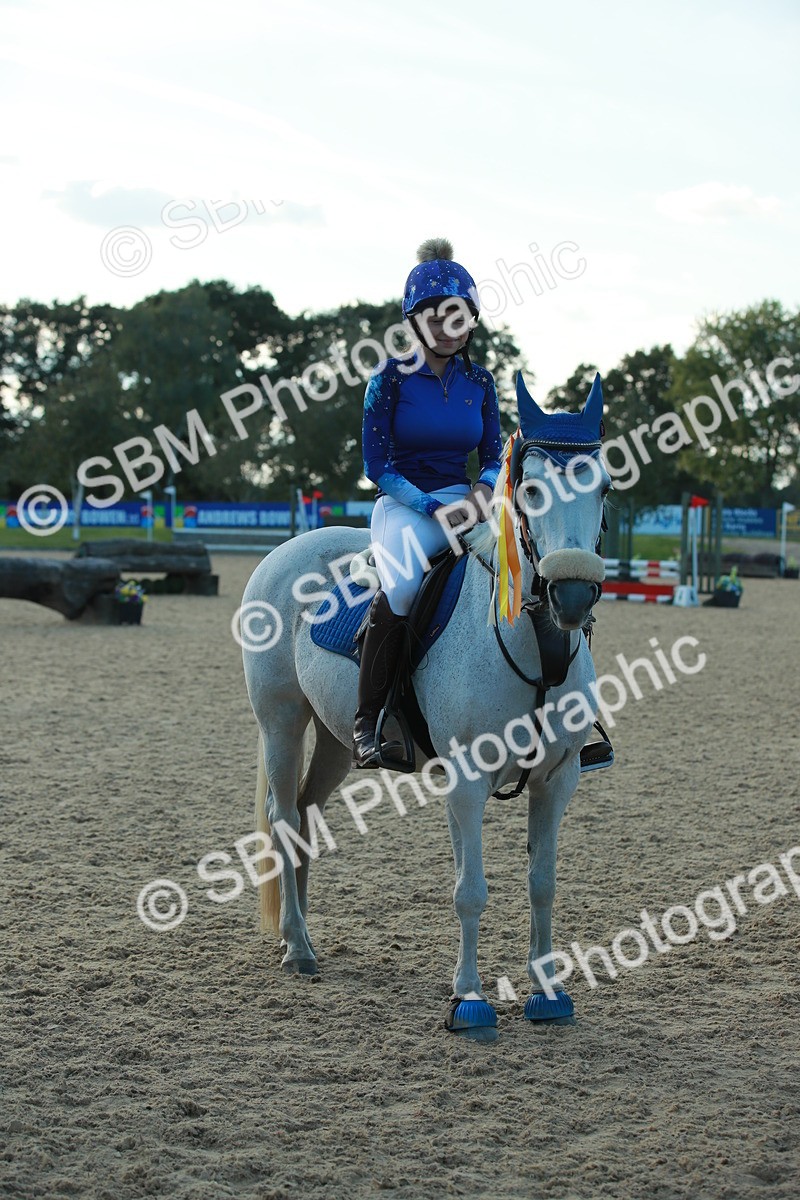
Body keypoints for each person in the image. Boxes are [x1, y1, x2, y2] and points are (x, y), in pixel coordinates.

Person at [352, 238, 503, 768]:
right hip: (404, 505)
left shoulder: (481, 382)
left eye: (458, 318)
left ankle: (565, 709)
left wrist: (484, 490)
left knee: (531, 562)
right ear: (414, 321)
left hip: (467, 502)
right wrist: (429, 506)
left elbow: (493, 454)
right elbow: (378, 466)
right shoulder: (388, 379)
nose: (448, 328)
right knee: (404, 583)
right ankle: (368, 721)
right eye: (435, 318)